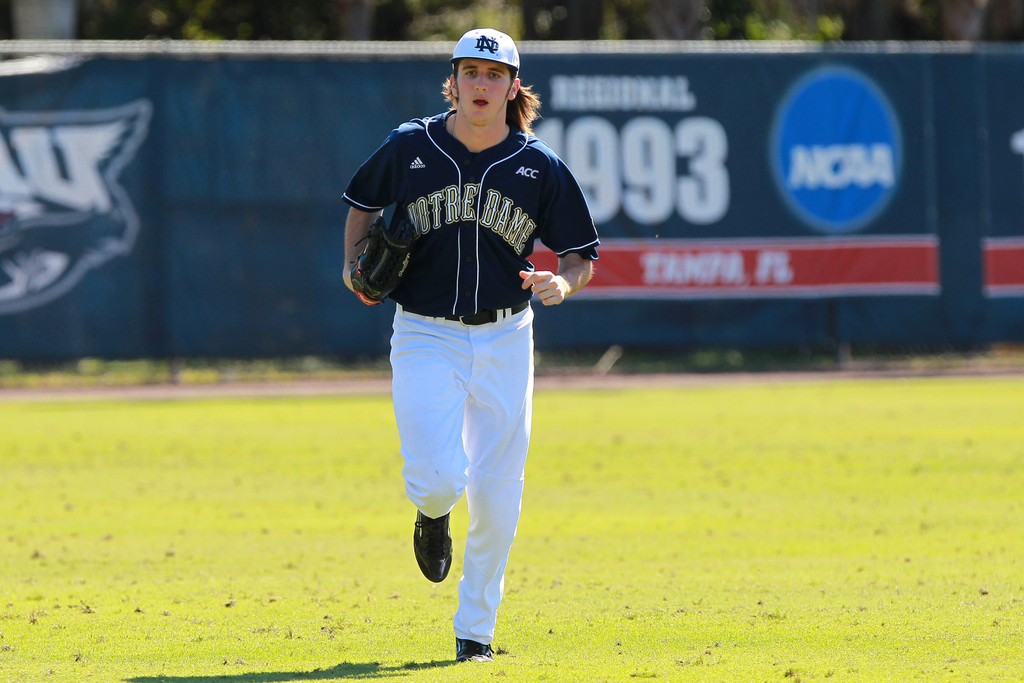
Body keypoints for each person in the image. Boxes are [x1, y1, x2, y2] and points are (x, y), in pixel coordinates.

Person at [341, 27, 600, 664]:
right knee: (435, 478)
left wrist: (561, 283)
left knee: (498, 492)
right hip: (426, 331)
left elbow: (580, 255)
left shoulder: (537, 165)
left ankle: (474, 634)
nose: (481, 85)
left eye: (494, 75)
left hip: (508, 335)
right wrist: (352, 263)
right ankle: (430, 516)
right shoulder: (411, 146)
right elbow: (361, 203)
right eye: (470, 73)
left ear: (514, 88)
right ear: (452, 82)